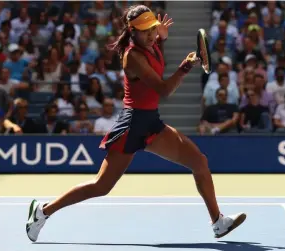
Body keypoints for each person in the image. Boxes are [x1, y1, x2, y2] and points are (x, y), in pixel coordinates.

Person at [25, 5, 246, 243]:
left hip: (151, 122)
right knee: (101, 186)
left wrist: (159, 34)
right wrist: (185, 67)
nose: (150, 34)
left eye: (152, 28)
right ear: (132, 31)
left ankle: (218, 222)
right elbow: (164, 89)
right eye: (144, 31)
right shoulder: (133, 56)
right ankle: (43, 211)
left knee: (199, 162)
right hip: (132, 124)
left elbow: (158, 37)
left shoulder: (152, 41)